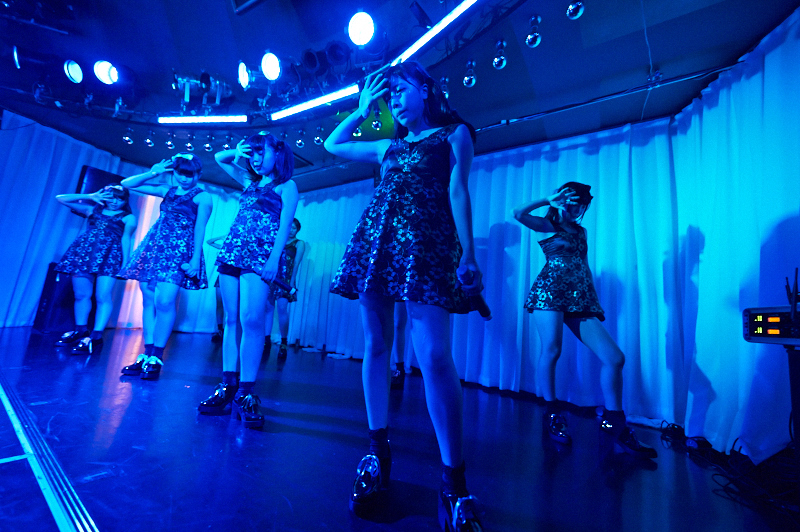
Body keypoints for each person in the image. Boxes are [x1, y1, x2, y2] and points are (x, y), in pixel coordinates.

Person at [324, 61, 484, 531]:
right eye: (388, 92)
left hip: (428, 245)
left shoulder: (454, 134)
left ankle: (453, 481)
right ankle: (377, 452)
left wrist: (469, 253)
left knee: (433, 355)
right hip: (379, 243)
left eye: (400, 88)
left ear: (426, 89)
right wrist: (362, 109)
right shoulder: (386, 146)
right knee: (376, 345)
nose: (393, 97)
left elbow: (459, 192)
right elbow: (332, 144)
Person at [512, 182, 657, 458]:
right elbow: (517, 213)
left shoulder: (581, 231)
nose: (575, 209)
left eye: (581, 205)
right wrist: (547, 199)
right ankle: (552, 413)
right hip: (549, 293)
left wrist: (592, 301)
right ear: (561, 201)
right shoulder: (547, 225)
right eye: (571, 203)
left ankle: (614, 423)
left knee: (615, 358)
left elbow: (584, 266)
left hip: (578, 297)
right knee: (552, 350)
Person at [197, 132, 298, 429]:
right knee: (231, 320)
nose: (255, 158)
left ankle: (246, 392)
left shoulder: (287, 186)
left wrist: (273, 260)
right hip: (232, 253)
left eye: (260, 152)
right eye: (252, 153)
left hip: (260, 257)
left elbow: (285, 226)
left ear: (277, 153)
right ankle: (228, 386)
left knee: (252, 320)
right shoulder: (249, 182)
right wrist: (239, 150)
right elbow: (220, 158)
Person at [117, 153, 212, 379]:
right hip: (154, 247)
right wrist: (154, 172)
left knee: (165, 301)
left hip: (179, 250)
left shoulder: (203, 197)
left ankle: (157, 356)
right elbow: (126, 184)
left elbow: (200, 230)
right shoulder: (166, 190)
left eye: (190, 174)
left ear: (198, 174)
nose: (184, 178)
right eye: (180, 173)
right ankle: (147, 354)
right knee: (148, 300)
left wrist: (195, 260)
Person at [53, 185, 137, 354]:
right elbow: (60, 198)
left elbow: (126, 239)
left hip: (110, 256)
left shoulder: (128, 217)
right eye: (111, 197)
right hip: (85, 253)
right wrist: (90, 196)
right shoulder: (92, 210)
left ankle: (96, 336)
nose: (115, 202)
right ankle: (80, 331)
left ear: (125, 200)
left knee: (103, 296)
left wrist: (125, 264)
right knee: (81, 295)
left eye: (120, 198)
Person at [264, 217, 306, 358]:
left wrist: (292, 282)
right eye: (290, 227)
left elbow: (296, 264)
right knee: (268, 308)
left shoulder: (299, 243)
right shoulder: (278, 240)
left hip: (285, 279)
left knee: (282, 309)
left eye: (294, 228)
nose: (292, 230)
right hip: (273, 277)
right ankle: (266, 340)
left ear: (297, 230)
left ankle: (283, 342)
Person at [205, 234, 228, 343]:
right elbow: (209, 241)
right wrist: (222, 237)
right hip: (221, 276)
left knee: (232, 306)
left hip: (233, 276)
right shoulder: (224, 246)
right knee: (219, 304)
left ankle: (229, 330)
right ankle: (220, 329)